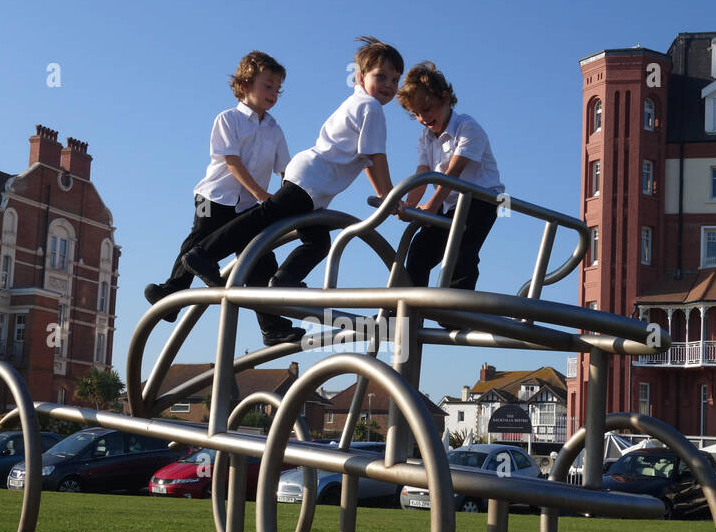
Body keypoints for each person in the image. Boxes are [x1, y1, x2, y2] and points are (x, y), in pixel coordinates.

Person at [165, 36, 405, 346]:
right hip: (308, 181)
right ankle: (203, 254)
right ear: (360, 78)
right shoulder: (371, 107)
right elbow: (375, 156)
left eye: (395, 80)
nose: (388, 85)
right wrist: (388, 195)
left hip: (313, 186)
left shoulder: (360, 104)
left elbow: (367, 157)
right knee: (263, 220)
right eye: (380, 77)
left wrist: (385, 195)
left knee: (317, 242)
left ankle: (283, 282)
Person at [144, 51, 289, 322]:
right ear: (245, 84)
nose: (273, 93)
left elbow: (285, 169)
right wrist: (260, 193)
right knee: (199, 241)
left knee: (259, 258)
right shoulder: (228, 119)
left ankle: (273, 324)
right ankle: (171, 293)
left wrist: (290, 197)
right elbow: (231, 161)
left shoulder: (275, 130)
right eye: (267, 86)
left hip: (246, 206)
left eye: (277, 89)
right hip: (214, 195)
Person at [396, 62, 503, 291]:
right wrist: (410, 206)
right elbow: (422, 174)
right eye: (415, 114)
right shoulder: (426, 137)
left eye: (426, 109)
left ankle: (455, 313)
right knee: (419, 251)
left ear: (445, 99)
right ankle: (407, 313)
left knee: (461, 251)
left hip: (481, 201)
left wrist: (431, 207)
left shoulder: (467, 127)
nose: (423, 118)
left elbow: (453, 173)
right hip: (449, 203)